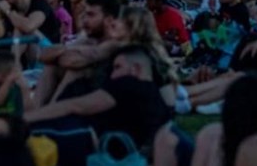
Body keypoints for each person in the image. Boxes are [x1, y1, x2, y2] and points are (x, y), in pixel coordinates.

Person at [26, 45, 170, 150]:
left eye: (118, 67)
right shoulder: (156, 98)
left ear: (136, 69)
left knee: (22, 135)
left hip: (84, 140)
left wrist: (25, 118)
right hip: (102, 148)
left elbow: (77, 106)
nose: (113, 75)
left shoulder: (130, 83)